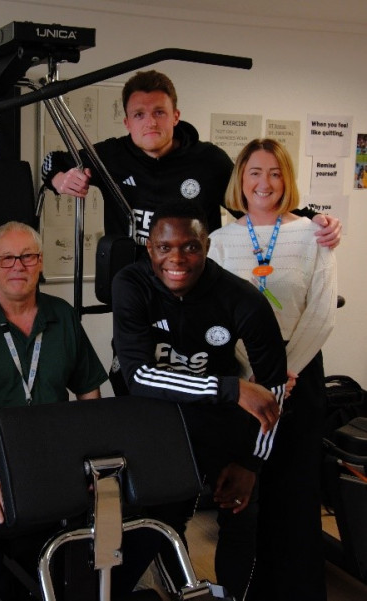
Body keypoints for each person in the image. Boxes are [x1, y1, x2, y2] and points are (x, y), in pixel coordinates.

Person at [111, 201, 289, 601]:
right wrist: (232, 387)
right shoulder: (131, 284)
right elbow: (138, 376)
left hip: (217, 423)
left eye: (190, 247)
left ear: (206, 246)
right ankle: (182, 592)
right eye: (164, 247)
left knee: (241, 511)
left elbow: (274, 387)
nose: (176, 259)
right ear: (149, 248)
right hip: (155, 423)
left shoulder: (241, 298)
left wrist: (251, 463)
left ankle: (230, 595)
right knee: (164, 518)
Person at [0, 221, 109, 601]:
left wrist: (91, 462)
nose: (18, 266)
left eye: (27, 256)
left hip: (57, 468)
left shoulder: (62, 316)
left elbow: (89, 393)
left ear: (40, 262)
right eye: (7, 258)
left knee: (89, 570)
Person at [208, 139, 337, 601]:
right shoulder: (220, 242)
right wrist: (254, 375)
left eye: (275, 173)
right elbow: (215, 317)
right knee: (244, 495)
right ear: (240, 180)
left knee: (294, 492)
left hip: (299, 377)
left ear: (287, 180)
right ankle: (245, 590)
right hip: (246, 382)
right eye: (255, 173)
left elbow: (322, 312)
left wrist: (285, 371)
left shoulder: (313, 234)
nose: (265, 183)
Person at [41, 69, 341, 248]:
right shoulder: (109, 155)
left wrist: (312, 218)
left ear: (175, 116)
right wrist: (60, 179)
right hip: (135, 281)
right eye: (139, 115)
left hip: (195, 282)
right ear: (127, 122)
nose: (151, 123)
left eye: (159, 112)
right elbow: (51, 161)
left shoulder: (208, 160)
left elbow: (256, 203)